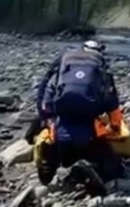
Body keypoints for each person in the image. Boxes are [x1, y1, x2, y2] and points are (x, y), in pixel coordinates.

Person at [25, 40, 124, 194]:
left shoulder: (64, 64)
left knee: (53, 137)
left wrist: (45, 119)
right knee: (115, 169)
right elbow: (112, 104)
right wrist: (116, 128)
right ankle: (91, 169)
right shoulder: (100, 70)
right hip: (88, 132)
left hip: (60, 131)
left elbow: (44, 94)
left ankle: (49, 165)